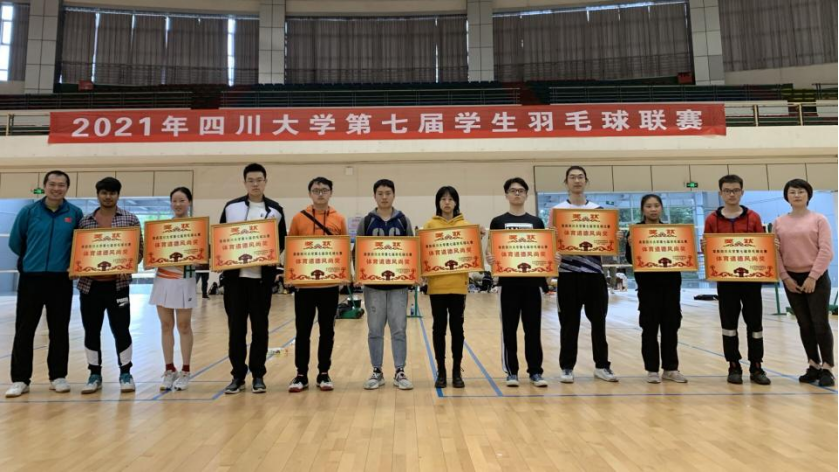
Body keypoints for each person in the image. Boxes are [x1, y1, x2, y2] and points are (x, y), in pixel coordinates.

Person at [5, 171, 84, 398]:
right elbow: (16, 241)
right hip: (32, 278)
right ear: (45, 186)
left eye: (61, 185)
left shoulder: (75, 213)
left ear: (67, 188)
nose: (56, 188)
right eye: (52, 184)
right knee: (24, 329)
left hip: (60, 280)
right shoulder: (29, 212)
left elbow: (79, 244)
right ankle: (20, 379)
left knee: (59, 330)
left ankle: (58, 376)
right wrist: (31, 259)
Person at [220, 163, 287, 395]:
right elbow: (221, 238)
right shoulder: (231, 208)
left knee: (260, 328)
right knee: (236, 329)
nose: (255, 184)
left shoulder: (276, 210)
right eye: (251, 180)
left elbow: (281, 242)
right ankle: (238, 376)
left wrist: (270, 255)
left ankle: (258, 375)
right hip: (235, 280)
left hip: (261, 281)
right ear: (244, 182)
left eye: (259, 180)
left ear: (265, 182)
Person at [548, 166, 617, 384]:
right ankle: (567, 367)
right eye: (572, 177)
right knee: (569, 323)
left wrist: (613, 238)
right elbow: (549, 243)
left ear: (586, 181)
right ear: (566, 182)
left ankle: (602, 366)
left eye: (580, 177)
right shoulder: (557, 211)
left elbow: (607, 245)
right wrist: (552, 240)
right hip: (568, 275)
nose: (576, 181)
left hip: (594, 274)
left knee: (599, 322)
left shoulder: (598, 210)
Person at [702, 174, 771, 385]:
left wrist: (770, 246)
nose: (731, 194)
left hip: (751, 282)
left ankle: (757, 366)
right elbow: (707, 249)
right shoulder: (711, 219)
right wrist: (704, 247)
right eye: (727, 191)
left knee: (755, 324)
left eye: (735, 190)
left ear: (742, 192)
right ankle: (733, 365)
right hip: (726, 283)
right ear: (721, 193)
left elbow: (762, 247)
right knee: (729, 325)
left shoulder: (754, 217)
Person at [77, 177, 144, 394]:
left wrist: (129, 264)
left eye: (112, 193)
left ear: (118, 195)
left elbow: (139, 250)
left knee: (121, 329)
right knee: (91, 330)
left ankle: (126, 373)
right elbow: (79, 251)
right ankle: (94, 374)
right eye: (104, 193)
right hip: (90, 287)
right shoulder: (85, 222)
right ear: (98, 194)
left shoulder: (130, 219)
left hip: (118, 286)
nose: (108, 197)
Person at [287, 177, 348, 393]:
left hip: (329, 287)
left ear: (330, 192)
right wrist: (289, 276)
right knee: (302, 332)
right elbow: (291, 249)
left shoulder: (339, 219)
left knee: (327, 332)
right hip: (304, 288)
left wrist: (344, 275)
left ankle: (324, 373)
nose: (320, 194)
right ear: (310, 193)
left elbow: (343, 250)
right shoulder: (298, 218)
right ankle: (301, 374)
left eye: (324, 190)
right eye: (316, 190)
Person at [486, 178, 548, 388]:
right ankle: (512, 372)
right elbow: (490, 251)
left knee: (533, 330)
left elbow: (544, 250)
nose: (517, 194)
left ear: (527, 194)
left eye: (521, 190)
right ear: (506, 195)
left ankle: (535, 372)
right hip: (508, 285)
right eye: (513, 191)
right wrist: (490, 258)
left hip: (533, 284)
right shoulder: (498, 221)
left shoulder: (537, 222)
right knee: (509, 330)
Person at [774, 179, 835, 387]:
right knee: (804, 324)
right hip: (791, 279)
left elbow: (826, 251)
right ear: (787, 196)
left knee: (820, 323)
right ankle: (813, 364)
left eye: (801, 191)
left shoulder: (819, 219)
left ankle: (827, 367)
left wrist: (812, 277)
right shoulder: (779, 222)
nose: (797, 195)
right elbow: (775, 252)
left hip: (816, 277)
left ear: (808, 195)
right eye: (792, 192)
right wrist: (785, 277)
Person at [358, 179, 415, 391]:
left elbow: (412, 249)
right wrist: (358, 273)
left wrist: (413, 274)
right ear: (374, 196)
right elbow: (358, 251)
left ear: (394, 195)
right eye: (380, 193)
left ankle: (400, 371)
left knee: (399, 329)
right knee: (375, 330)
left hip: (398, 286)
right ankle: (377, 371)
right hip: (373, 286)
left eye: (388, 193)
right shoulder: (367, 221)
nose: (384, 197)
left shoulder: (403, 220)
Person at [624, 195, 688, 384]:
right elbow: (631, 260)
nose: (653, 209)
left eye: (656, 205)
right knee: (649, 328)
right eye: (649, 206)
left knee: (671, 327)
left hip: (671, 286)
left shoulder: (672, 232)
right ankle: (652, 369)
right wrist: (631, 246)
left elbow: (682, 254)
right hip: (648, 287)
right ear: (642, 210)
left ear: (661, 208)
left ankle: (671, 368)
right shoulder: (635, 232)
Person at [424, 186, 473, 389]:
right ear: (438, 202)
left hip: (458, 285)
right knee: (439, 329)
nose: (447, 202)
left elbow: (471, 252)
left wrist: (477, 236)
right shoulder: (429, 225)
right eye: (443, 199)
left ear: (456, 202)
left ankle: (456, 370)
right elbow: (423, 253)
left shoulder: (466, 226)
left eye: (451, 199)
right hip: (437, 286)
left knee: (457, 329)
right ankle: (441, 371)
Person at [150, 187, 197, 392]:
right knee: (165, 326)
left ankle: (186, 371)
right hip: (163, 279)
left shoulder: (196, 227)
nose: (178, 204)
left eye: (182, 200)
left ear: (189, 202)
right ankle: (169, 369)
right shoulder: (161, 228)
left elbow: (202, 257)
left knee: (184, 326)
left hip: (184, 279)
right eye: (174, 201)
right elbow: (151, 254)